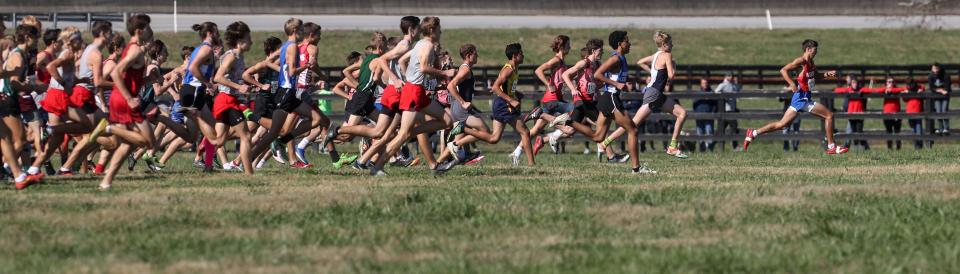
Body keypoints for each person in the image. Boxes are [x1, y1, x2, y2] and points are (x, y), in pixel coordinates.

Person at [368, 16, 455, 176]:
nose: (441, 32)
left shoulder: (419, 44)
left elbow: (402, 60)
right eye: (439, 29)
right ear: (431, 30)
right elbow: (423, 68)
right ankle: (377, 167)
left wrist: (408, 78)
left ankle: (413, 135)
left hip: (417, 91)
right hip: (413, 92)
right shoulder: (427, 45)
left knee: (447, 120)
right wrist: (444, 73)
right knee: (402, 136)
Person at [744, 39, 847, 154]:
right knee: (829, 115)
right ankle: (831, 146)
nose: (816, 53)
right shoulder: (801, 61)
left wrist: (828, 74)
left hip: (801, 98)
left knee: (782, 124)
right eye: (814, 50)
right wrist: (792, 84)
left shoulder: (811, 63)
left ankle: (753, 133)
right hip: (802, 98)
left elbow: (816, 76)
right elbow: (783, 70)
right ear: (808, 49)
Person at [600, 30, 689, 160]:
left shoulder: (656, 55)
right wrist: (673, 65)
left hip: (656, 93)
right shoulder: (667, 55)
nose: (672, 45)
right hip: (654, 94)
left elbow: (640, 62)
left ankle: (673, 146)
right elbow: (671, 76)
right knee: (633, 123)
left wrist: (653, 72)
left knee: (682, 113)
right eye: (670, 43)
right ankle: (605, 143)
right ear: (664, 44)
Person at [98, 13, 157, 189]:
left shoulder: (135, 49)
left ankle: (106, 182)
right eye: (148, 27)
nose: (151, 30)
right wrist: (129, 98)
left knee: (126, 144)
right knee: (149, 142)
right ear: (140, 31)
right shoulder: (135, 50)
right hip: (124, 101)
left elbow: (130, 79)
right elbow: (116, 73)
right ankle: (110, 128)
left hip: (120, 99)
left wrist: (149, 79)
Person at [592, 30, 655, 174]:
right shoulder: (616, 58)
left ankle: (568, 123)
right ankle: (636, 169)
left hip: (610, 97)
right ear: (620, 44)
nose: (630, 43)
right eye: (627, 41)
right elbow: (597, 74)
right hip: (611, 98)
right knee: (632, 129)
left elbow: (613, 77)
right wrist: (616, 85)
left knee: (598, 136)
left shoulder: (622, 59)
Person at [3, 24, 44, 189]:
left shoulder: (21, 55)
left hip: (10, 99)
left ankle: (13, 172)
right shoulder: (18, 56)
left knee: (19, 138)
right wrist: (35, 88)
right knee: (20, 140)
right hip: (7, 100)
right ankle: (8, 170)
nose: (37, 41)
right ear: (27, 38)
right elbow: (13, 85)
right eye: (36, 38)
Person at [211, 21, 255, 174]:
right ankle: (249, 173)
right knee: (246, 136)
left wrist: (245, 87)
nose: (251, 42)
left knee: (219, 140)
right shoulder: (232, 56)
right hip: (226, 100)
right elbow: (218, 77)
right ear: (240, 41)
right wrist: (239, 87)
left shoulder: (238, 56)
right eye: (249, 38)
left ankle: (203, 160)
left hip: (229, 99)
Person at [836, 77, 869, 150]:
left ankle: (865, 147)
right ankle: (856, 147)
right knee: (853, 131)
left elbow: (869, 90)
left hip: (859, 114)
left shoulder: (861, 89)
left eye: (856, 83)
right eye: (853, 83)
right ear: (851, 84)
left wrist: (861, 92)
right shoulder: (849, 90)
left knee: (859, 131)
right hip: (851, 114)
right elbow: (837, 90)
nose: (855, 84)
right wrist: (848, 92)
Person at [714, 72, 741, 150]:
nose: (731, 77)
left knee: (721, 129)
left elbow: (737, 91)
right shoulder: (723, 85)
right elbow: (716, 92)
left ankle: (711, 144)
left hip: (731, 110)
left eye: (732, 76)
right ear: (726, 76)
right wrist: (723, 97)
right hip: (726, 110)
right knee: (734, 126)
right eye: (729, 76)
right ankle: (734, 145)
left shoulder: (732, 85)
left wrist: (736, 83)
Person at [878, 75, 904, 150]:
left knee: (897, 132)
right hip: (887, 114)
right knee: (889, 132)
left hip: (896, 114)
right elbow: (877, 90)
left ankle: (898, 148)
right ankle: (890, 148)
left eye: (892, 82)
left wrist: (891, 90)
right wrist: (886, 89)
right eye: (889, 82)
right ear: (886, 83)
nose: (891, 83)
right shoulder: (884, 89)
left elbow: (903, 89)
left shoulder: (897, 89)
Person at [692, 78, 716, 152]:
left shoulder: (711, 93)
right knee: (700, 132)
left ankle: (710, 149)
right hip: (699, 116)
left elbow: (715, 104)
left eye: (706, 83)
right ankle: (702, 149)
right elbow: (694, 104)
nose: (705, 84)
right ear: (701, 84)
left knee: (709, 131)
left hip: (709, 116)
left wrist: (713, 112)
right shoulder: (697, 93)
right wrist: (696, 113)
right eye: (703, 83)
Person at [903, 78, 926, 149]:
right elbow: (905, 100)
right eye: (907, 85)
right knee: (913, 130)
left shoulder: (919, 88)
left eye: (909, 85)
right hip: (909, 112)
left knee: (919, 130)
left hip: (918, 112)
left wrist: (921, 91)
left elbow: (923, 88)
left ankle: (920, 146)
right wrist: (906, 93)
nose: (908, 86)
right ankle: (916, 146)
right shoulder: (907, 89)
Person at [929, 63, 950, 135]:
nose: (934, 70)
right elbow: (931, 88)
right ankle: (940, 128)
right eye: (933, 68)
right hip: (936, 96)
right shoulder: (931, 76)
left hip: (945, 97)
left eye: (936, 68)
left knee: (944, 110)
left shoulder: (945, 75)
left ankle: (946, 128)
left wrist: (944, 91)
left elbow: (948, 87)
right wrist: (940, 90)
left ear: (939, 69)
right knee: (938, 111)